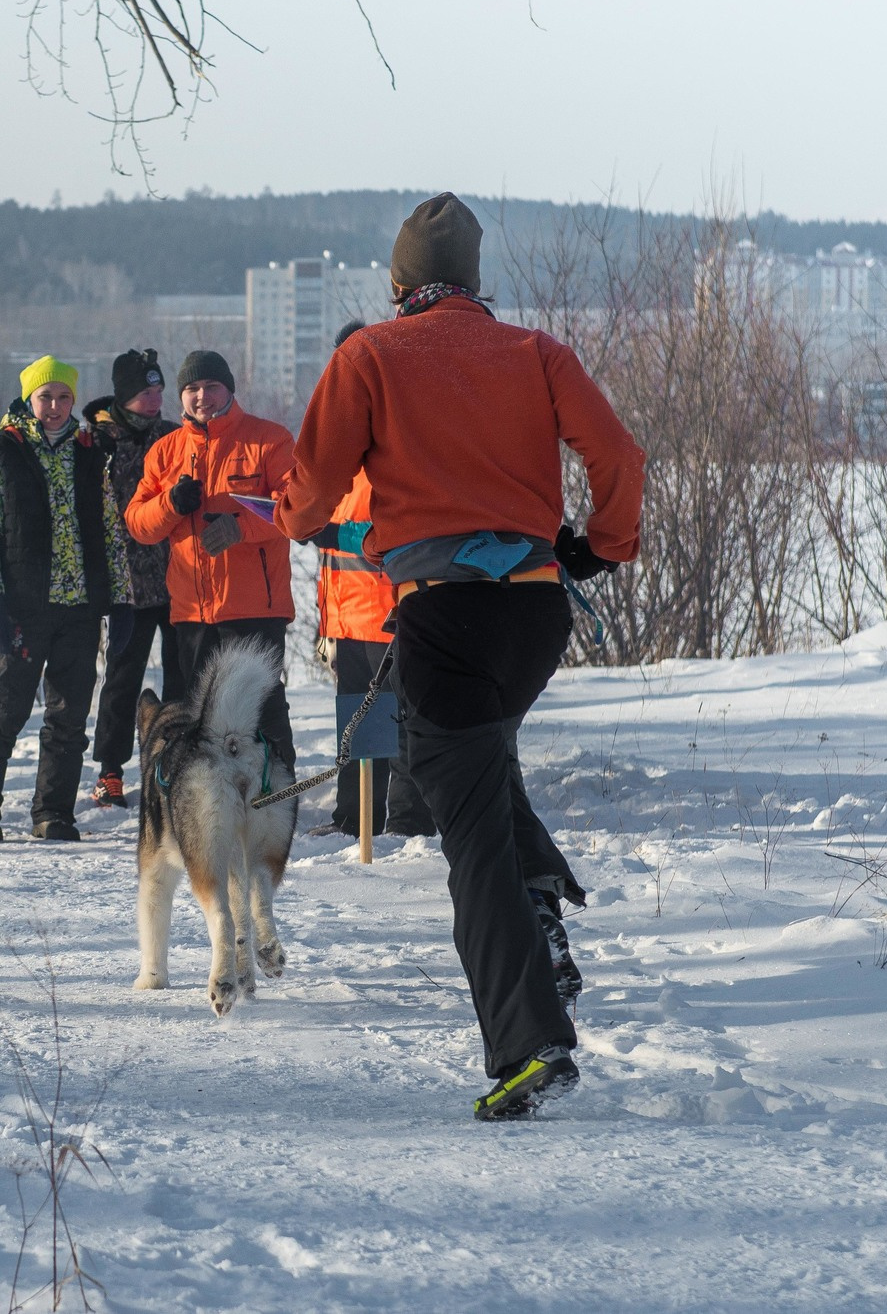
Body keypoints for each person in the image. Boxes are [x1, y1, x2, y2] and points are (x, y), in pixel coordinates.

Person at [277, 192, 644, 1121]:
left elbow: (313, 487)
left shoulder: (370, 355)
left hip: (442, 616)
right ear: (477, 281)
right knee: (481, 766)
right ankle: (546, 908)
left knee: (468, 826)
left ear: (397, 284)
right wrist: (597, 547)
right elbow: (620, 459)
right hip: (533, 614)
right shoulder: (536, 351)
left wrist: (297, 520)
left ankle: (530, 1045)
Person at [0, 356, 133, 844]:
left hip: (79, 610)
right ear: (29, 400)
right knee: (5, 712)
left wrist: (121, 601)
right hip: (22, 609)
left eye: (63, 398)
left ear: (73, 402)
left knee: (68, 718)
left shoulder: (86, 454)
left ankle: (53, 813)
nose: (54, 407)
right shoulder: (3, 453)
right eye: (45, 397)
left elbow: (110, 532)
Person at [120, 350, 295, 743]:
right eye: (192, 389)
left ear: (228, 389)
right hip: (192, 613)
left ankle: (275, 799)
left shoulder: (269, 439)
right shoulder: (165, 451)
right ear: (180, 396)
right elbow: (137, 523)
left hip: (254, 610)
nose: (202, 396)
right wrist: (171, 505)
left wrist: (241, 527)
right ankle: (210, 802)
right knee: (202, 719)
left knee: (261, 711)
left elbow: (295, 508)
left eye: (211, 387)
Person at [311, 321, 433, 840]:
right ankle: (353, 820)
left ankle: (408, 828)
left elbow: (415, 517)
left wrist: (337, 530)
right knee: (356, 723)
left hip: (395, 609)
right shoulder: (332, 443)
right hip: (345, 614)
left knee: (402, 727)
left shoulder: (405, 435)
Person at [81, 348, 177, 808]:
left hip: (178, 580)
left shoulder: (174, 436)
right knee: (121, 680)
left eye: (159, 390)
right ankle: (110, 772)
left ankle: (176, 762)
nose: (155, 400)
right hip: (127, 588)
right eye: (145, 393)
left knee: (183, 678)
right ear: (123, 397)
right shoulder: (98, 442)